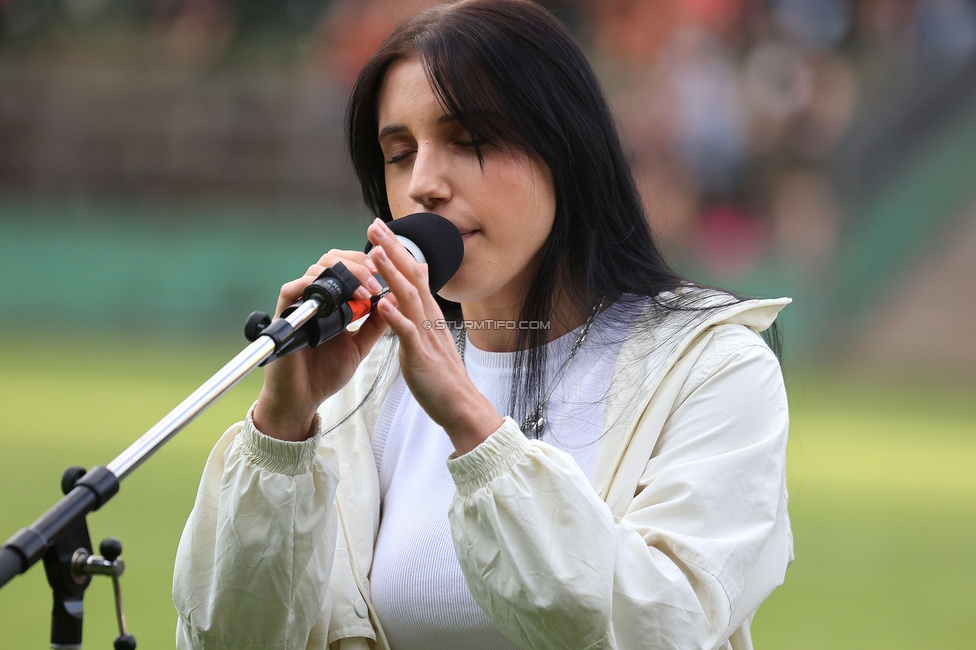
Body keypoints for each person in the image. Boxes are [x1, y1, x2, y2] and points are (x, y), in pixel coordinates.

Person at [173, 1, 793, 648]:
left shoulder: (715, 368)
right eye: (400, 152)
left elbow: (663, 626)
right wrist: (281, 436)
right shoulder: (362, 381)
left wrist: (471, 422)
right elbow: (227, 639)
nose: (424, 185)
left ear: (567, 149)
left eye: (471, 141)